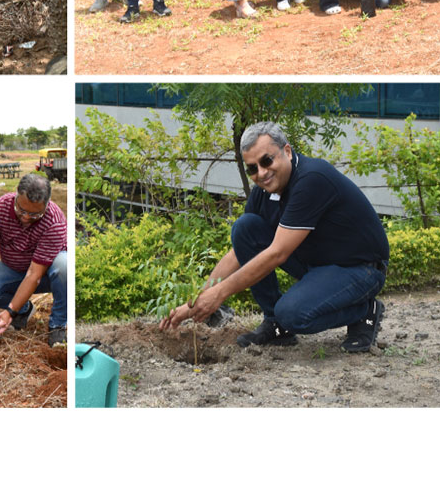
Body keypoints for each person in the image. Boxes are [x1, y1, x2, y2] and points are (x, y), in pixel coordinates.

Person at [160, 122, 389, 354]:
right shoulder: (265, 191)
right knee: (245, 228)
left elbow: (277, 253)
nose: (261, 173)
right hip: (318, 265)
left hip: (359, 269)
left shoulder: (311, 180)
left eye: (266, 161)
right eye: (252, 168)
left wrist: (219, 294)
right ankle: (277, 326)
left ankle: (365, 310)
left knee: (293, 314)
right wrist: (197, 302)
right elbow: (238, 253)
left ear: (287, 152)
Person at [0, 173, 69, 347]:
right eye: (21, 210)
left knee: (65, 266)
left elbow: (34, 275)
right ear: (16, 196)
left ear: (47, 204)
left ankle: (58, 325)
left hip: (46, 275)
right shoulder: (0, 208)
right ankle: (23, 311)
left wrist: (9, 312)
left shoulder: (54, 220)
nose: (26, 217)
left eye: (34, 214)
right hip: (13, 270)